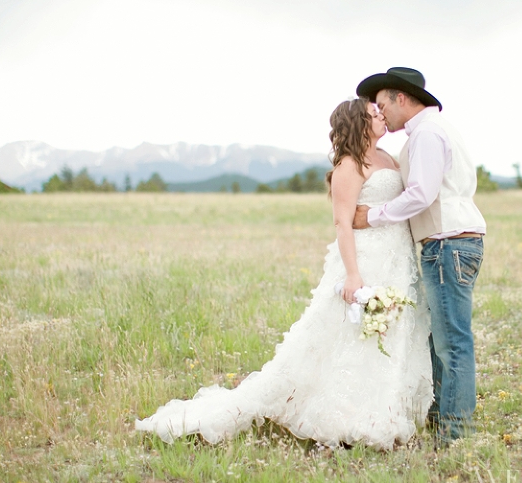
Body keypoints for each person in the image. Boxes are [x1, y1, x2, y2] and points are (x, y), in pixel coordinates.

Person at [136, 98, 433, 450]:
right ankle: (348, 412)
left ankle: (387, 405)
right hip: (366, 258)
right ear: (358, 124)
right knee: (354, 335)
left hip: (396, 256)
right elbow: (342, 223)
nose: (381, 116)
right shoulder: (349, 166)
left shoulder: (388, 158)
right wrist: (353, 275)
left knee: (394, 331)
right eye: (373, 114)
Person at [353, 67, 486, 447]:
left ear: (401, 98)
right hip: (450, 242)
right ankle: (441, 419)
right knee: (440, 338)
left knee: (452, 342)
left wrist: (372, 216)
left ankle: (455, 433)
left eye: (382, 105)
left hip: (448, 243)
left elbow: (421, 194)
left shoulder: (427, 133)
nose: (380, 114)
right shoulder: (431, 130)